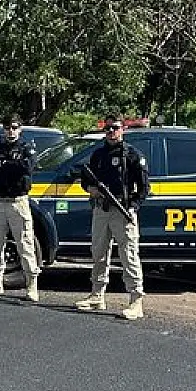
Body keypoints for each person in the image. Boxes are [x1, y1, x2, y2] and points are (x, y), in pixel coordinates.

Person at [76, 113, 151, 320]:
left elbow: (144, 187)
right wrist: (91, 189)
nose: (111, 132)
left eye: (115, 128)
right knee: (99, 252)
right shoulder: (98, 155)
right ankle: (97, 294)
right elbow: (85, 179)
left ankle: (136, 300)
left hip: (123, 209)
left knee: (129, 255)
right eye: (107, 128)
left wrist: (133, 207)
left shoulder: (132, 155)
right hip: (101, 209)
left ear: (123, 129)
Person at [0, 115, 41, 301]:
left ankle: (31, 284)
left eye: (14, 127)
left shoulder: (27, 148)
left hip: (18, 202)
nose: (11, 131)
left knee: (25, 243)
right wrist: (10, 167)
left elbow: (26, 168)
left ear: (20, 129)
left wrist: (5, 165)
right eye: (7, 127)